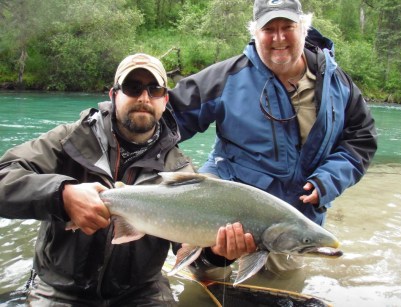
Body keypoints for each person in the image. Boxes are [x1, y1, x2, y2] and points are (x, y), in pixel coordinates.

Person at [0, 53, 255, 306]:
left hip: (142, 293)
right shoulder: (69, 140)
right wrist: (62, 195)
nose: (144, 98)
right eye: (133, 87)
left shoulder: (180, 170)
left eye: (154, 90)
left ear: (165, 100)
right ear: (114, 95)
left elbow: (193, 261)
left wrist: (217, 254)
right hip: (59, 289)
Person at [169, 0, 377, 272]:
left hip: (293, 223)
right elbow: (163, 120)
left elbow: (361, 140)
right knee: (204, 281)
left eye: (287, 27)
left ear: (304, 28)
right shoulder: (227, 77)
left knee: (276, 294)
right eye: (269, 29)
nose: (279, 37)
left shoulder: (338, 84)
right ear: (255, 33)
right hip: (222, 208)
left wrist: (327, 181)